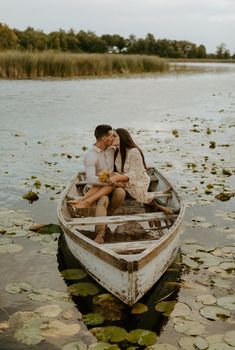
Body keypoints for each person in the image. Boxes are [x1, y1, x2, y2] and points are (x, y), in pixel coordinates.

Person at [68, 124, 126, 244]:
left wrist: (115, 179)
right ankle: (100, 234)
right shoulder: (90, 155)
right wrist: (107, 180)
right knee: (103, 199)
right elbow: (90, 179)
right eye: (111, 135)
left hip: (113, 186)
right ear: (104, 138)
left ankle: (103, 217)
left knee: (121, 193)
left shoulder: (113, 149)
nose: (113, 137)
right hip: (95, 188)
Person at [106, 128, 174, 214]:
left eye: (114, 136)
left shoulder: (134, 151)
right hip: (124, 181)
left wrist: (116, 178)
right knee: (109, 187)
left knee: (118, 191)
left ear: (122, 138)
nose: (112, 138)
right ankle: (156, 206)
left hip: (138, 182)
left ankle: (108, 214)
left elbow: (133, 175)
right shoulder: (116, 152)